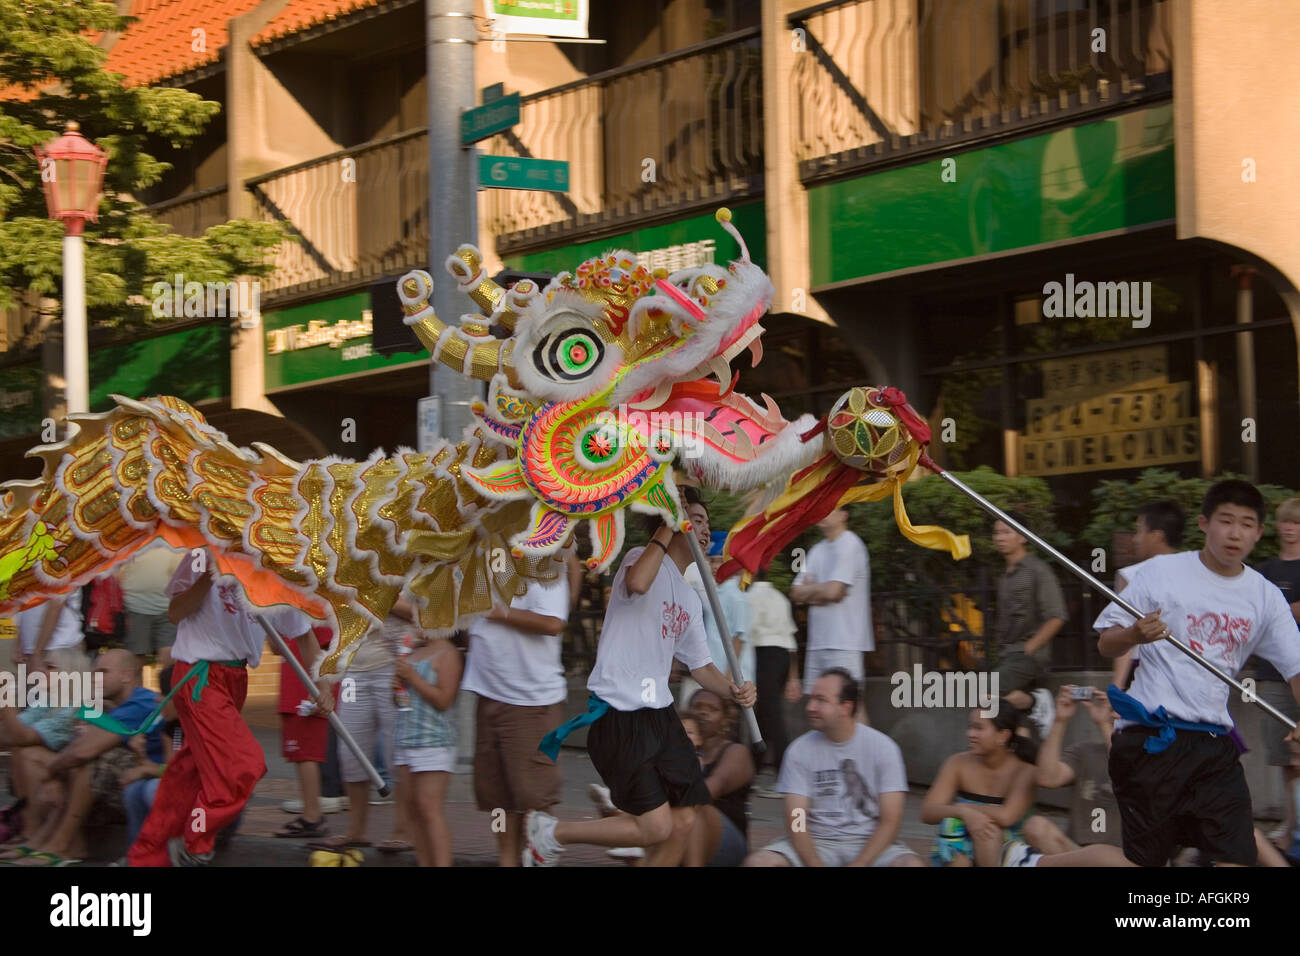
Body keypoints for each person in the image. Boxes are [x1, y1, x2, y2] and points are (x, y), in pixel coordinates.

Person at [524, 486, 756, 867]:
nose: (704, 530)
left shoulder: (691, 599)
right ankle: (551, 832)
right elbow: (637, 584)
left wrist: (734, 690)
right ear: (674, 521)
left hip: (660, 717)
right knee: (656, 828)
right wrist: (667, 523)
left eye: (706, 523)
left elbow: (701, 667)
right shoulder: (639, 560)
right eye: (695, 520)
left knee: (683, 821)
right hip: (620, 713)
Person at [1094, 479, 1300, 867]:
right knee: (1144, 865)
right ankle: (1037, 863)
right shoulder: (1160, 573)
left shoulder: (1265, 596)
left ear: (1258, 533)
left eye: (1246, 524)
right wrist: (1135, 634)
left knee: (1236, 856)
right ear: (1205, 524)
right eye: (1225, 520)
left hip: (1212, 742)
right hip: (1150, 739)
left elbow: (1296, 666)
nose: (1234, 533)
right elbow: (1107, 642)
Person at [127, 549, 315, 867]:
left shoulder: (277, 565)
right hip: (200, 674)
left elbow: (304, 635)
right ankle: (194, 838)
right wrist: (207, 576)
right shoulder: (202, 555)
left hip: (235, 676)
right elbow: (175, 612)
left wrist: (321, 685)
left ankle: (148, 854)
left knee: (191, 772)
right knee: (243, 765)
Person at [743, 669, 922, 867]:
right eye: (811, 699)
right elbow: (797, 819)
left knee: (911, 864)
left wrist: (860, 864)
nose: (810, 707)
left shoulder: (884, 748)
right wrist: (814, 863)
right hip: (816, 842)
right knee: (759, 863)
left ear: (845, 707)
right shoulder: (799, 751)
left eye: (821, 700)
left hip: (870, 843)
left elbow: (891, 822)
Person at [8, 648, 163, 866]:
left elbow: (84, 751)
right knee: (32, 755)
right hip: (119, 782)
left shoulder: (142, 702)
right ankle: (40, 837)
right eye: (94, 672)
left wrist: (51, 774)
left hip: (147, 784)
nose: (95, 678)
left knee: (91, 759)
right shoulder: (104, 705)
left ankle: (62, 845)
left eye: (103, 672)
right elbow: (78, 741)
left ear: (126, 675)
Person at [461, 562, 569, 867]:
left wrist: (495, 610)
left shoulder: (545, 564)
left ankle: (538, 860)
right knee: (496, 800)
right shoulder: (484, 560)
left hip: (529, 702)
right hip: (488, 694)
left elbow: (552, 623)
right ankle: (506, 859)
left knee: (535, 799)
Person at [311, 601, 414, 853]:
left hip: (394, 664)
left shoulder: (404, 562)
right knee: (350, 750)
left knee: (397, 753)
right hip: (353, 668)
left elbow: (418, 610)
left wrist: (376, 596)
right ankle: (356, 830)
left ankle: (403, 830)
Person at [1002, 684, 1129, 866]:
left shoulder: (1148, 757)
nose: (1116, 714)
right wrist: (1060, 719)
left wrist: (1104, 725)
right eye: (1114, 708)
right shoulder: (1085, 751)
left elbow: (1127, 772)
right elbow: (1047, 778)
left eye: (1122, 709)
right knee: (1036, 827)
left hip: (1122, 859)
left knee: (1100, 856)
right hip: (1075, 853)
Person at [922, 700, 1037, 867]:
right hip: (961, 847)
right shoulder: (957, 763)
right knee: (954, 832)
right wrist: (963, 814)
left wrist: (966, 809)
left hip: (1005, 849)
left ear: (1002, 736)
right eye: (970, 727)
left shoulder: (1024, 771)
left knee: (988, 831)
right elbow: (928, 811)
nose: (970, 734)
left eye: (979, 728)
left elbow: (1006, 817)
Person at [990, 510, 1067, 736]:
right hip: (1007, 654)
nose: (999, 537)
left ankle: (1035, 702)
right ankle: (1034, 703)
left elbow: (1056, 615)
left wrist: (1030, 648)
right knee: (1017, 727)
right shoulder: (1005, 576)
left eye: (1006, 532)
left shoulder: (1038, 570)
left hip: (1027, 656)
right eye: (996, 533)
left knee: (987, 694)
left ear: (1023, 536)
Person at [790, 508, 871, 721]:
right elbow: (796, 593)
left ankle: (864, 754)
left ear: (844, 514)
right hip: (818, 643)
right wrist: (822, 592)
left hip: (845, 643)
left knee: (852, 707)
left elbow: (833, 592)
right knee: (819, 707)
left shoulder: (851, 545)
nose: (822, 512)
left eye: (829, 508)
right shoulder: (816, 550)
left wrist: (814, 591)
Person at [1251, 497, 1300, 847]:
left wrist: (1278, 614)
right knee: (1286, 757)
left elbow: (1274, 616)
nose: (1289, 528)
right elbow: (1255, 617)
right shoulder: (1264, 571)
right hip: (1272, 673)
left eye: (1296, 522)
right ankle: (1290, 824)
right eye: (1285, 521)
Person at [392, 627, 462, 867]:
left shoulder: (447, 654)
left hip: (434, 741)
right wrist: (398, 687)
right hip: (406, 738)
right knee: (412, 809)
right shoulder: (412, 652)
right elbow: (402, 701)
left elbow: (444, 700)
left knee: (429, 807)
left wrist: (412, 677)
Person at [274, 624, 338, 839]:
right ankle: (310, 813)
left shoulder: (315, 602)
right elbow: (275, 646)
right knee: (298, 753)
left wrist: (322, 687)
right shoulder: (288, 605)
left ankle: (312, 816)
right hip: (293, 683)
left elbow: (329, 646)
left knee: (306, 752)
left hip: (307, 688)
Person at [1111, 501, 1184, 689]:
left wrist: (1117, 688)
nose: (1135, 539)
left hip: (1143, 671)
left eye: (1139, 531)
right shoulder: (1198, 572)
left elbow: (1124, 631)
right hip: (1186, 671)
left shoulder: (1132, 575)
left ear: (1156, 536)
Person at [746, 565, 800, 786]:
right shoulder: (781, 598)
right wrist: (793, 676)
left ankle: (783, 770)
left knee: (770, 714)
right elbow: (791, 640)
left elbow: (745, 632)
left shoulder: (749, 598)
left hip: (762, 654)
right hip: (781, 657)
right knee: (766, 712)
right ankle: (754, 766)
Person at [117, 543, 183, 673]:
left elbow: (181, 576)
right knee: (136, 659)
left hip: (166, 609)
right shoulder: (132, 544)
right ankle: (135, 692)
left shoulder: (173, 545)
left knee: (169, 657)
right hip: (135, 608)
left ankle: (167, 691)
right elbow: (118, 574)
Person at [13, 592, 88, 676]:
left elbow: (55, 608)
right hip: (33, 648)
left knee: (62, 687)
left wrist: (37, 653)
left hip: (60, 646)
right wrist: (20, 644)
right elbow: (25, 605)